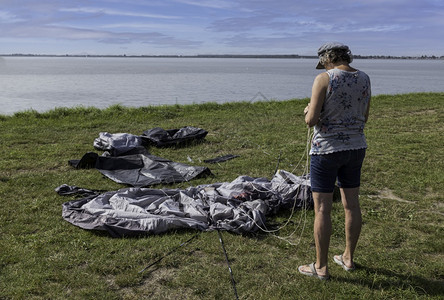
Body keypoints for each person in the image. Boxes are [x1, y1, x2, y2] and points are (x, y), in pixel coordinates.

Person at [298, 42, 371, 280]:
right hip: (356, 147)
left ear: (328, 58)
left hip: (326, 150)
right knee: (352, 204)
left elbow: (311, 120)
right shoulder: (364, 78)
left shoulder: (324, 79)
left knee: (322, 208)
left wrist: (309, 110)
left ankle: (321, 266)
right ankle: (348, 258)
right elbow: (365, 116)